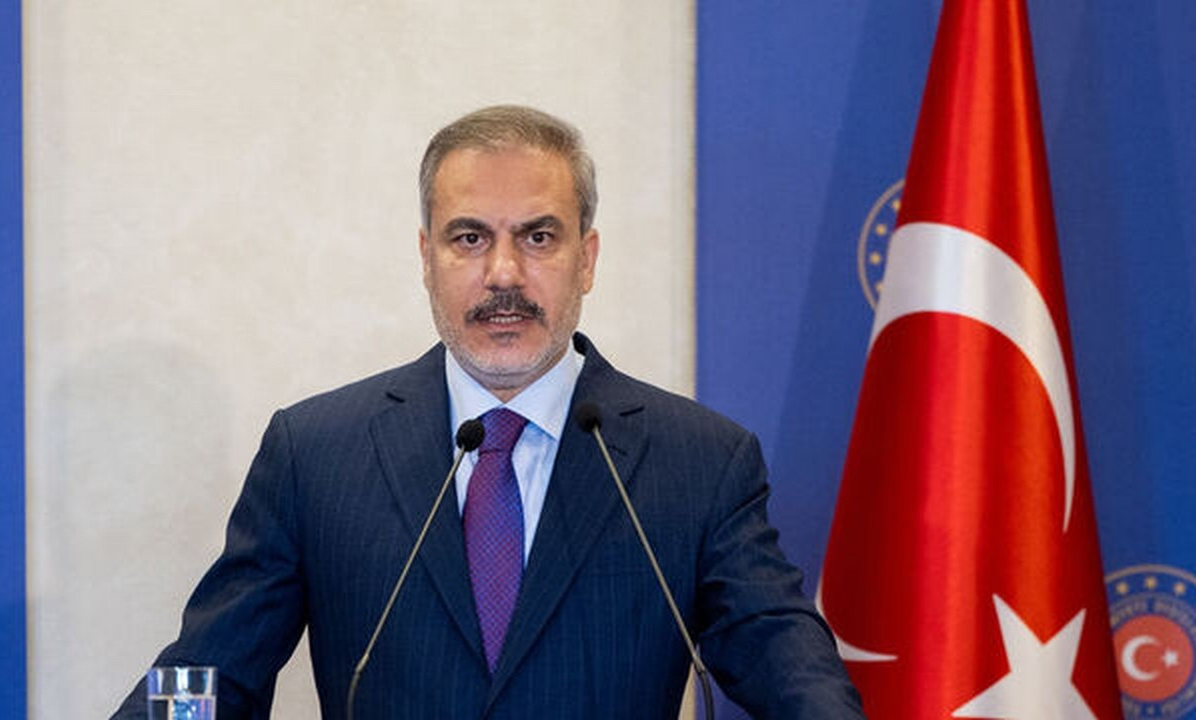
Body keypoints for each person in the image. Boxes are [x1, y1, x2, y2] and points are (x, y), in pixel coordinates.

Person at [112, 105, 864, 719]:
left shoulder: (697, 462)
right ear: (426, 257)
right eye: (469, 238)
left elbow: (783, 658)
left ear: (587, 258)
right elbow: (209, 673)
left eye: (538, 237)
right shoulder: (315, 455)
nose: (504, 274)